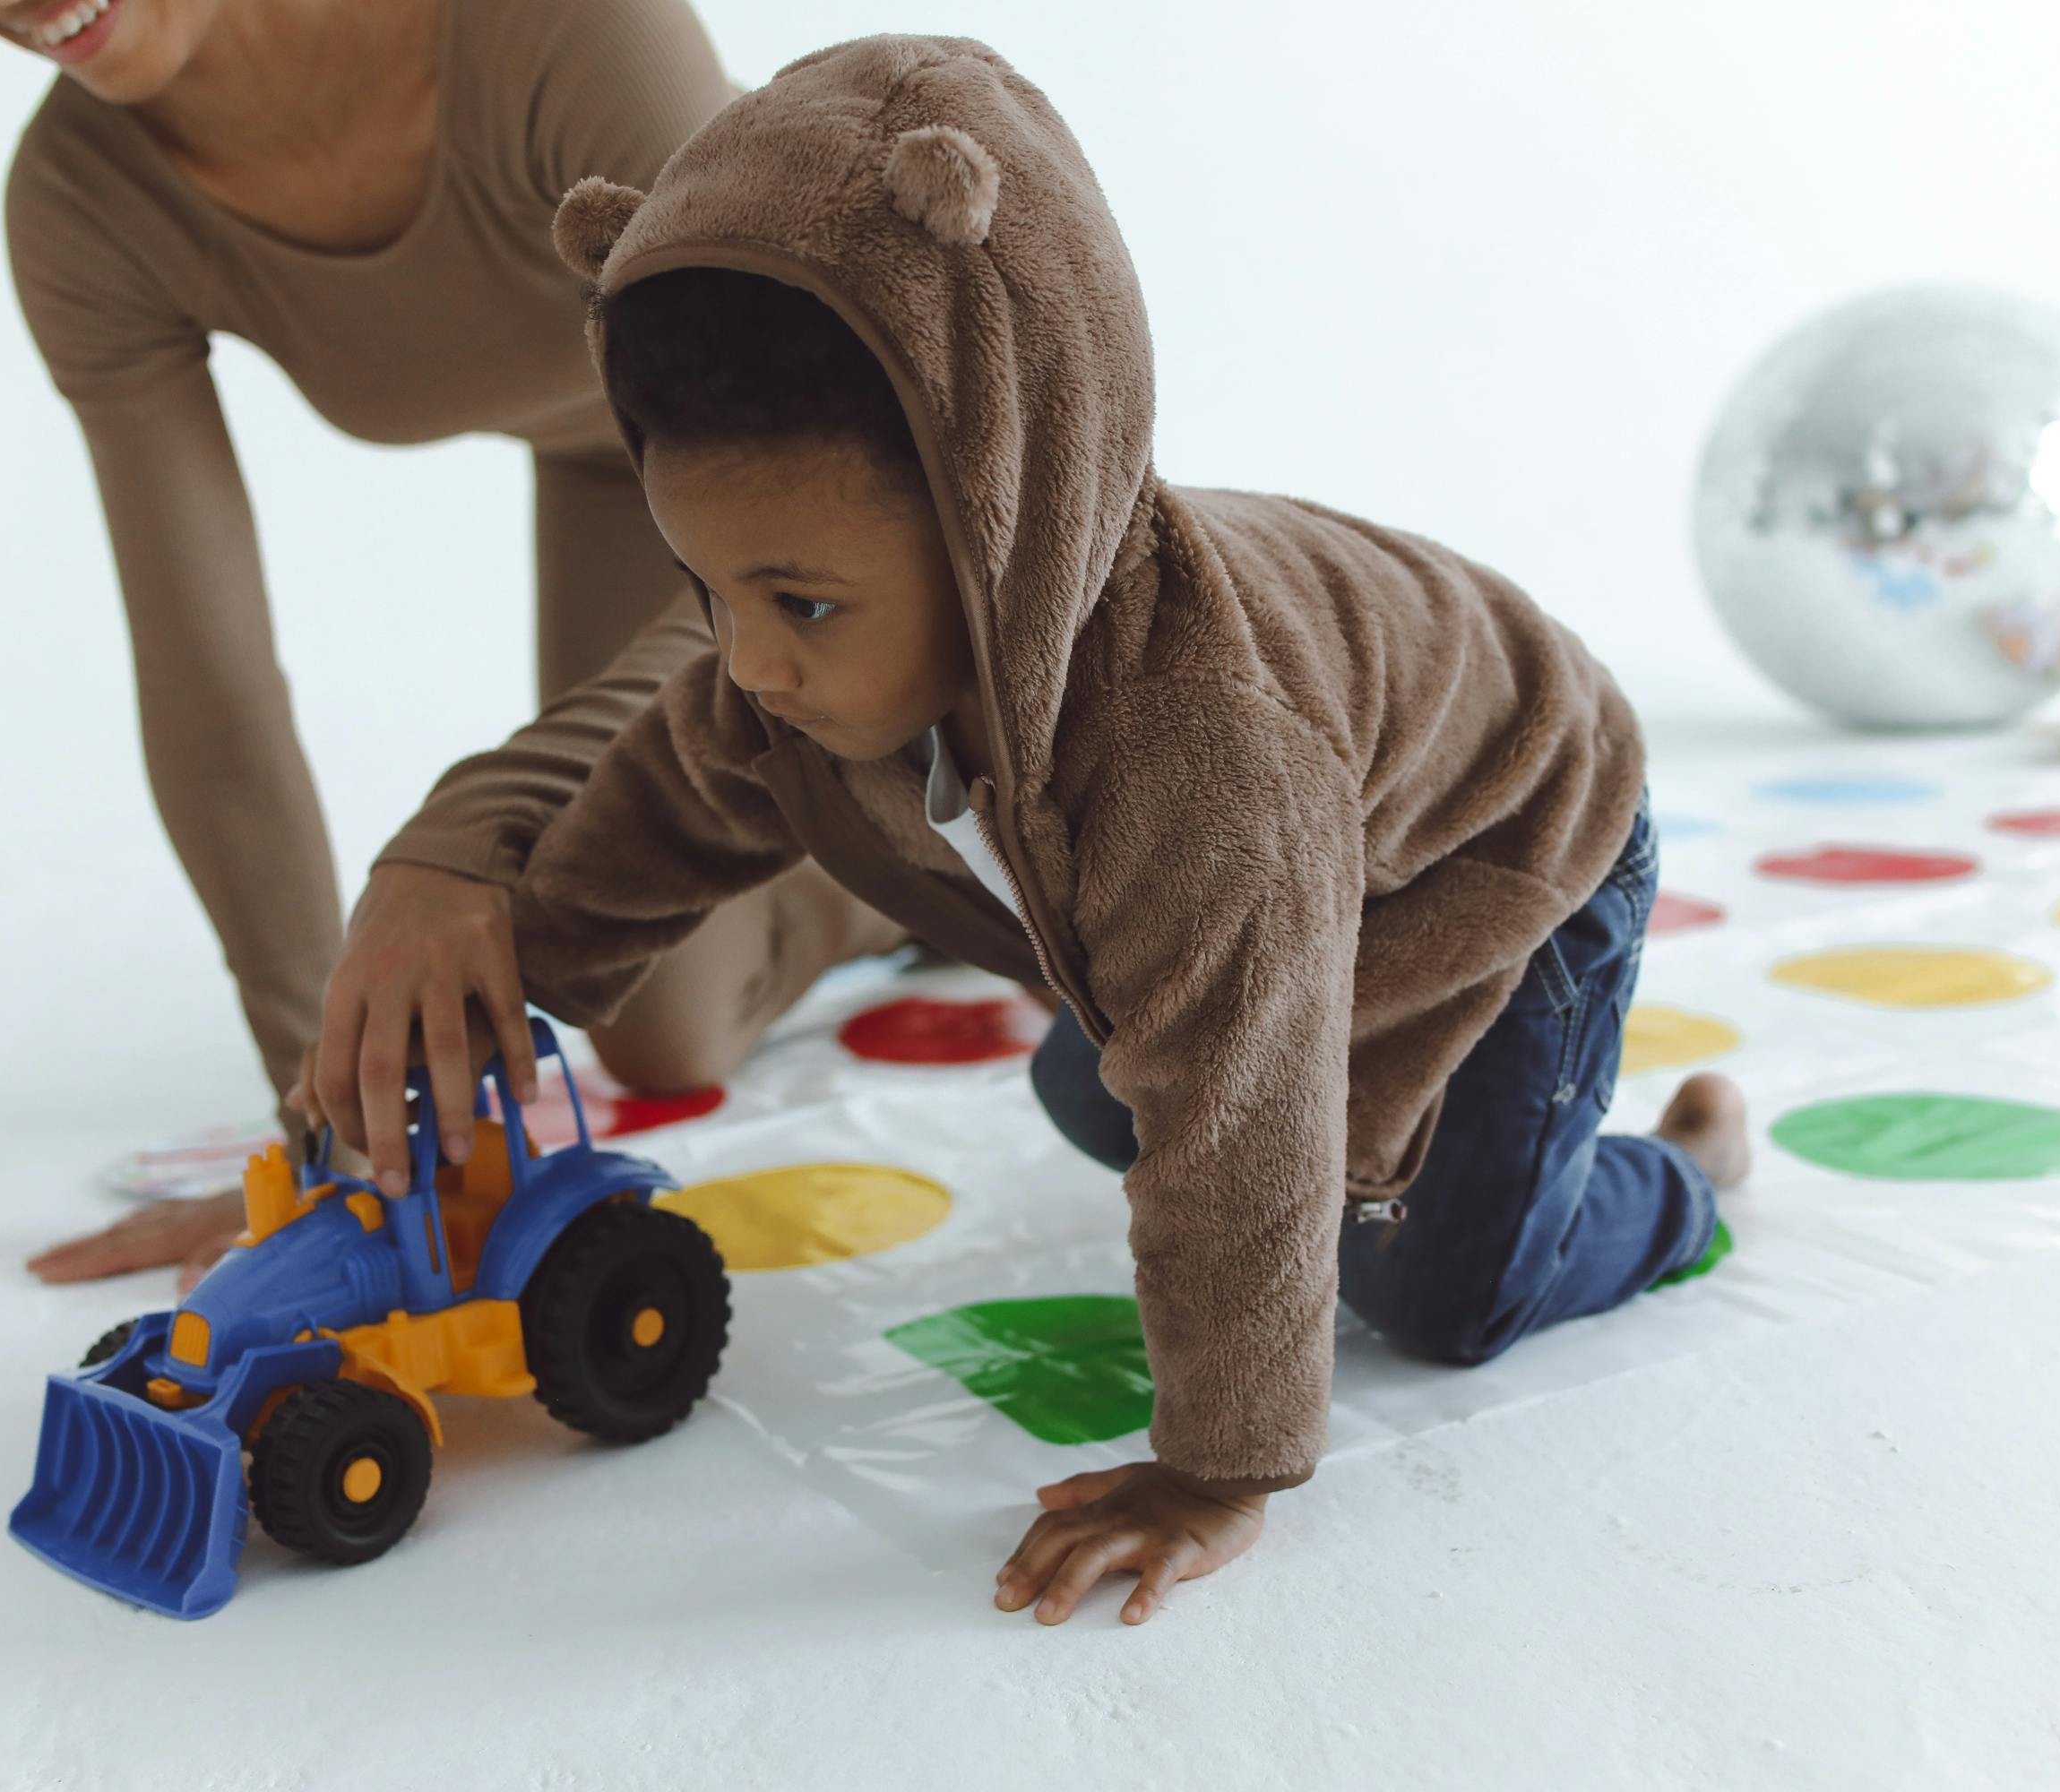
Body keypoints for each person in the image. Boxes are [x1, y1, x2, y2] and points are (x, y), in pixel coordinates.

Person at [306, 33, 1754, 1625]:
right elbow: (635, 840)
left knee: (1442, 1288)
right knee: (1122, 1089)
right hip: (1291, 886)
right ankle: (1189, 1074)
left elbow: (1242, 1113)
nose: (751, 662)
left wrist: (1216, 1468)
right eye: (709, 592)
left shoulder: (1203, 768)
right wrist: (458, 1066)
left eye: (798, 603)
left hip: (1504, 850)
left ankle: (1675, 1185)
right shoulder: (776, 681)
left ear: (1007, 529)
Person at [0, 0, 901, 1285]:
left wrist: (478, 824)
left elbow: (828, 508)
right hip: (629, 470)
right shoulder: (81, 205)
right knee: (666, 1032)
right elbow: (209, 675)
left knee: (833, 718)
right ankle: (881, 882)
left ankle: (954, 807)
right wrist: (335, 1129)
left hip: (850, 480)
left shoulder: (567, 32)